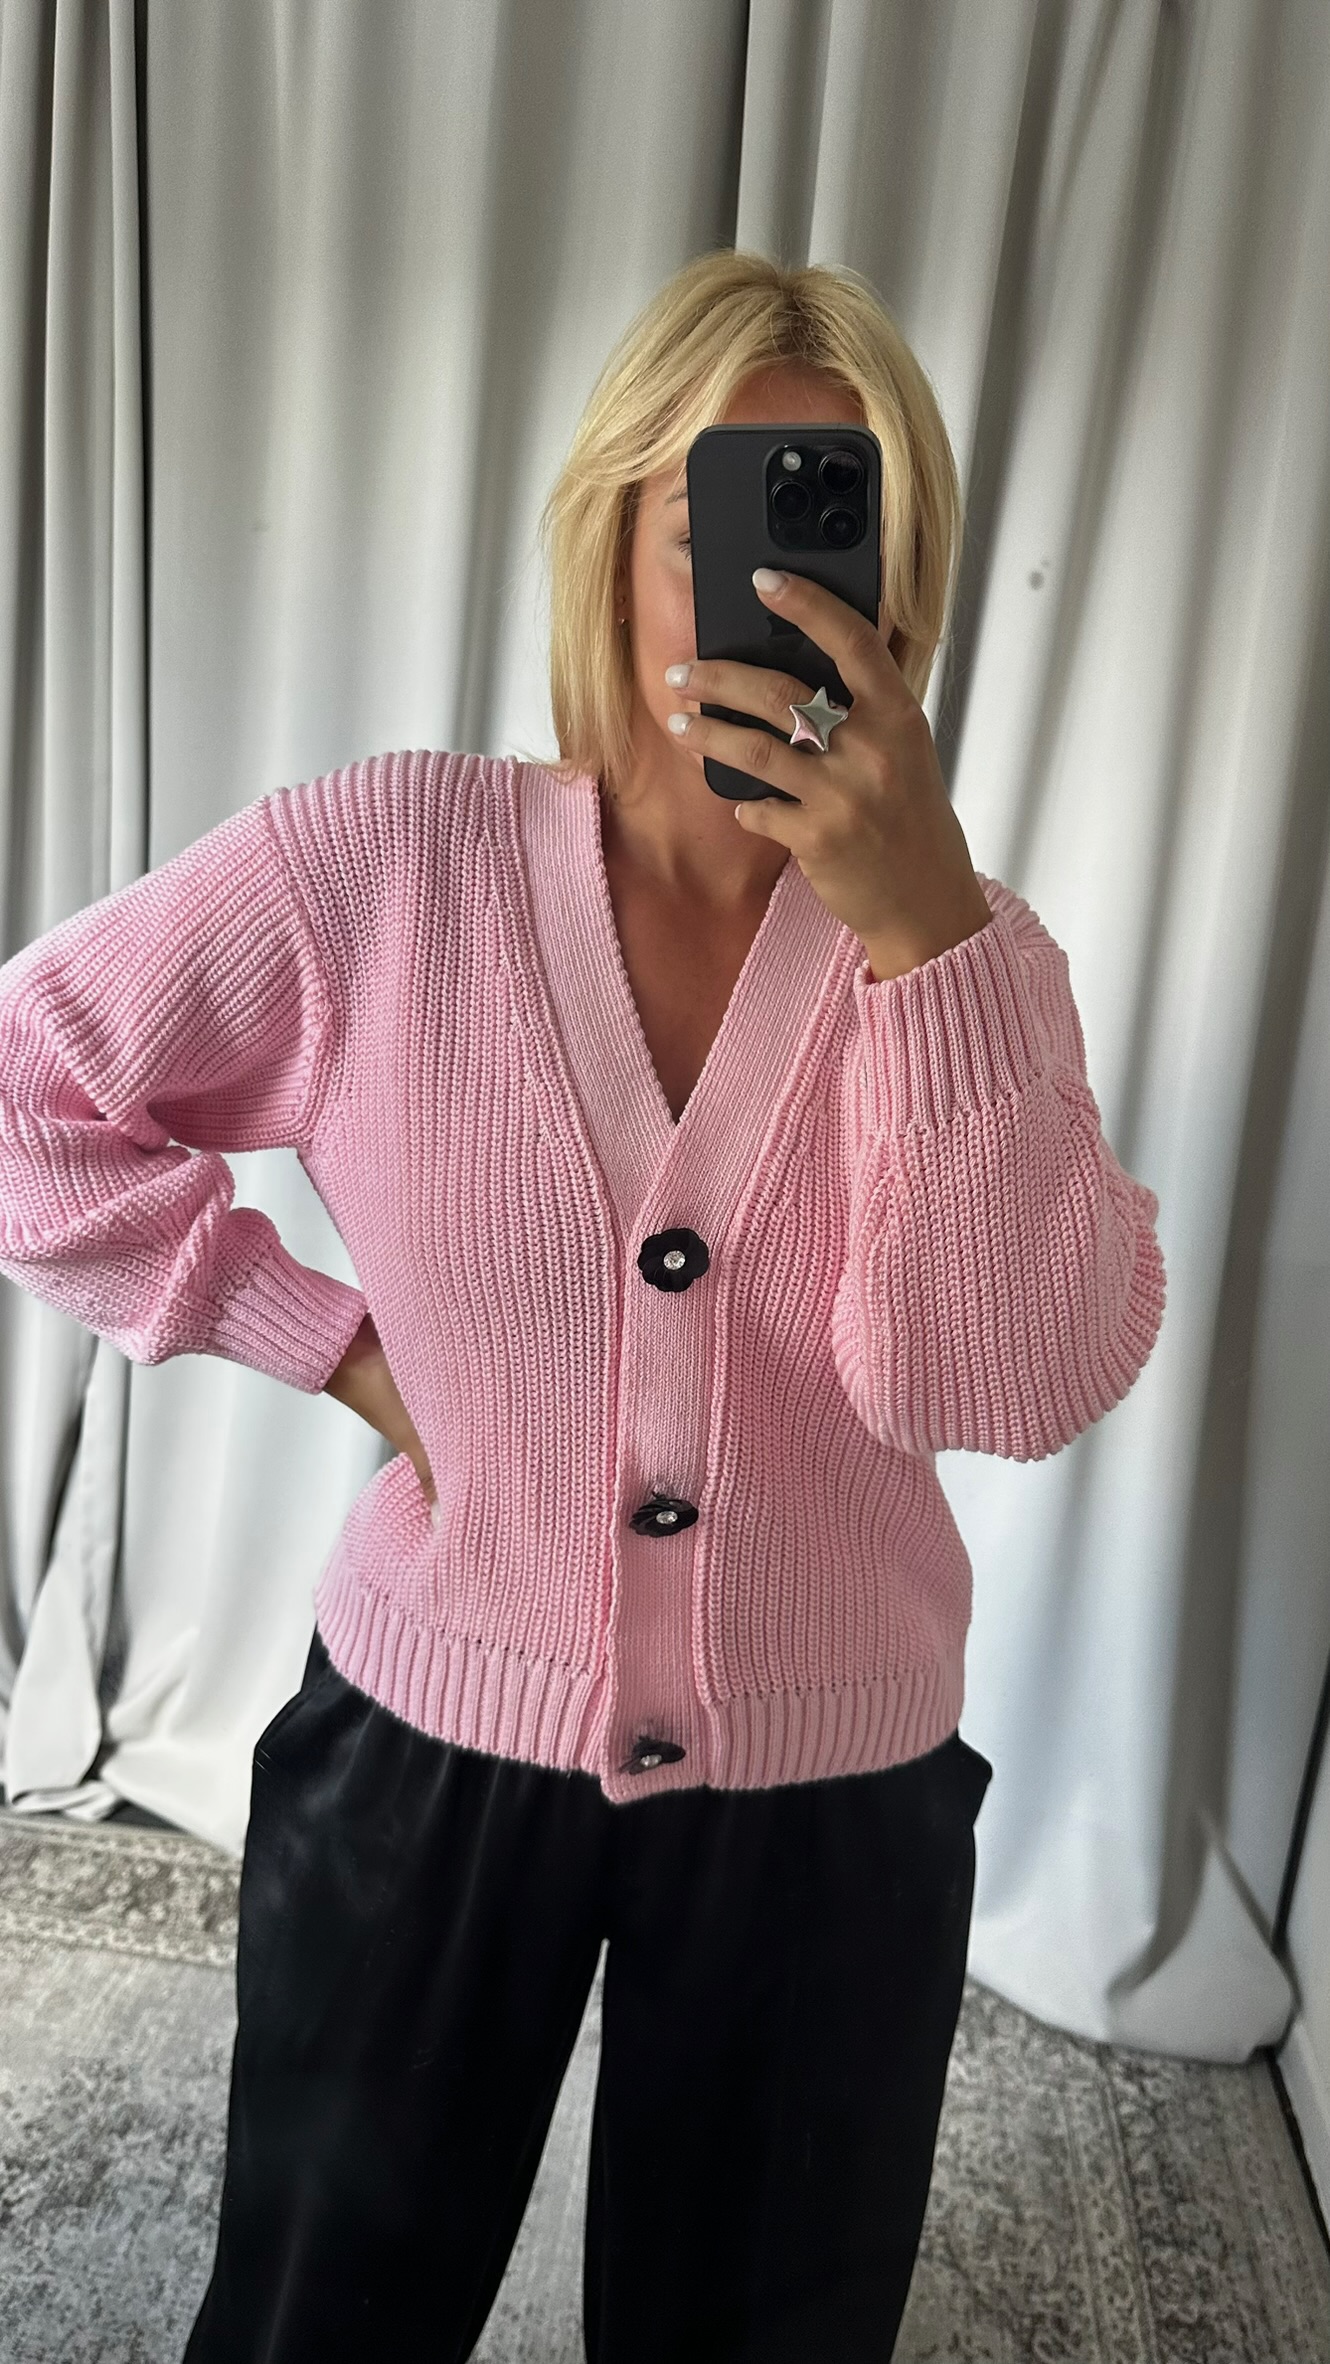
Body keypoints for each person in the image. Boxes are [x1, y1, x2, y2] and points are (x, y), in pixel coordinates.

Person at [0, 248, 1166, 2362]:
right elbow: (30, 1095)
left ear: (907, 583)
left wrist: (925, 944)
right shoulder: (386, 869)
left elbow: (993, 1381)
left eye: (836, 520)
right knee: (316, 2321)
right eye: (717, 518)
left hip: (834, 1784)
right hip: (433, 1745)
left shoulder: (969, 964)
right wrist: (330, 1342)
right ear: (612, 541)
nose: (777, 585)